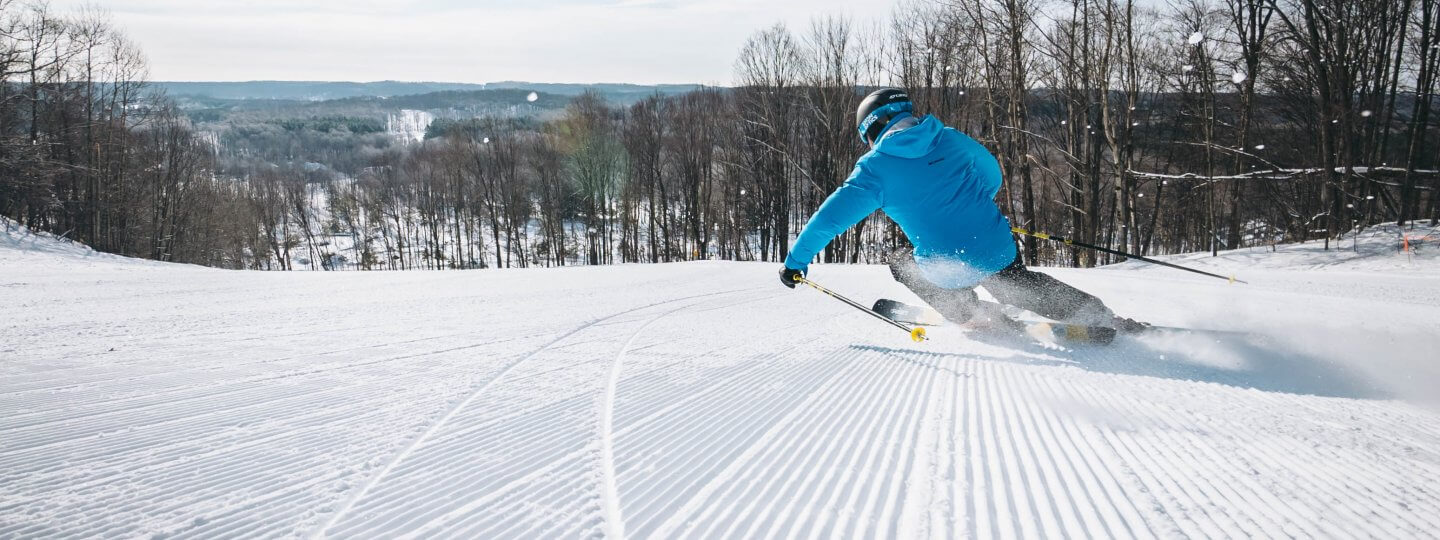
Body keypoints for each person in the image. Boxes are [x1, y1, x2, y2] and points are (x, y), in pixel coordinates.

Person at [778, 88, 1145, 333]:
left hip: (945, 267)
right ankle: (1093, 313)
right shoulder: (951, 138)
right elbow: (992, 176)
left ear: (871, 129)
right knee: (1015, 282)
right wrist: (971, 202)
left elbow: (828, 220)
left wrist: (795, 263)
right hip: (995, 246)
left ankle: (971, 315)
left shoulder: (874, 171)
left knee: (899, 259)